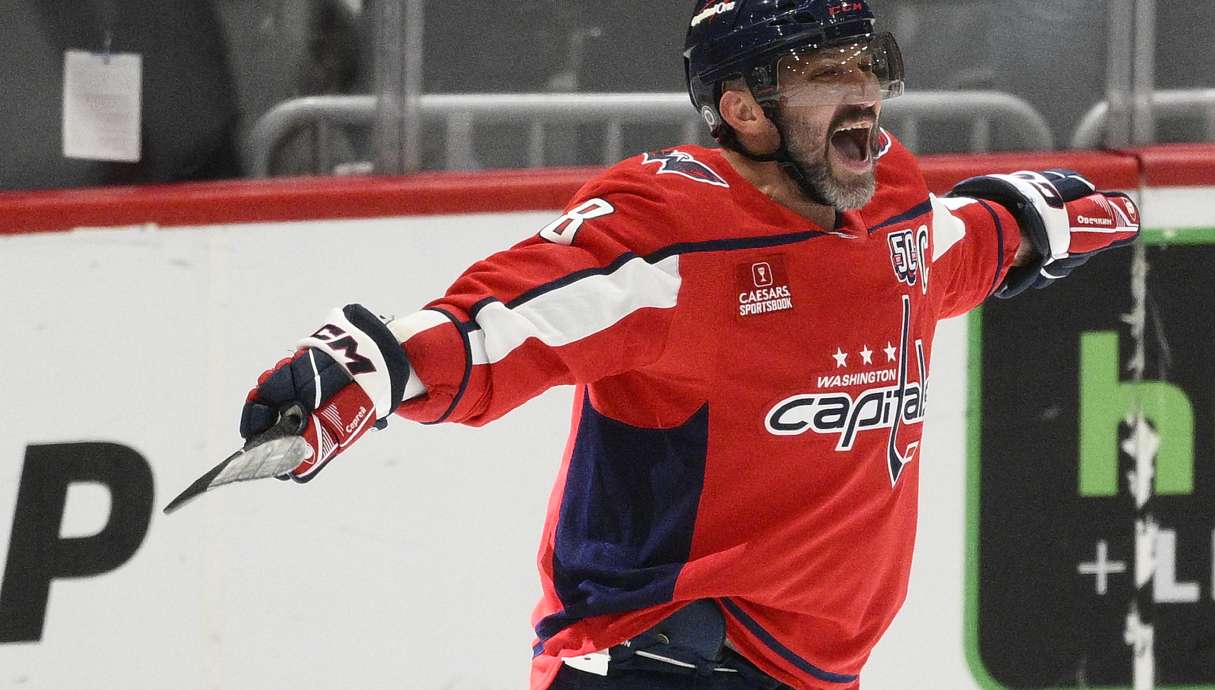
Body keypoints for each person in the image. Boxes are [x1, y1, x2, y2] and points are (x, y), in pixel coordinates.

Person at [237, 1, 1140, 688]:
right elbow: (514, 315)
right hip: (665, 658)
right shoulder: (671, 228)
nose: (861, 90)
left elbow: (942, 250)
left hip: (806, 671)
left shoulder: (890, 198)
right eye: (823, 74)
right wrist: (380, 366)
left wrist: (1028, 225)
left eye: (867, 65)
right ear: (744, 110)